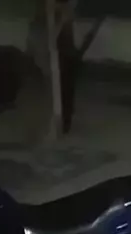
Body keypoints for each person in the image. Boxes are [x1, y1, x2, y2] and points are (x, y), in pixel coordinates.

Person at [27, 0, 78, 134]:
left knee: (63, 83)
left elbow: (68, 10)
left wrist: (60, 11)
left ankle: (61, 122)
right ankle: (52, 120)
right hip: (47, 38)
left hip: (61, 45)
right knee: (49, 82)